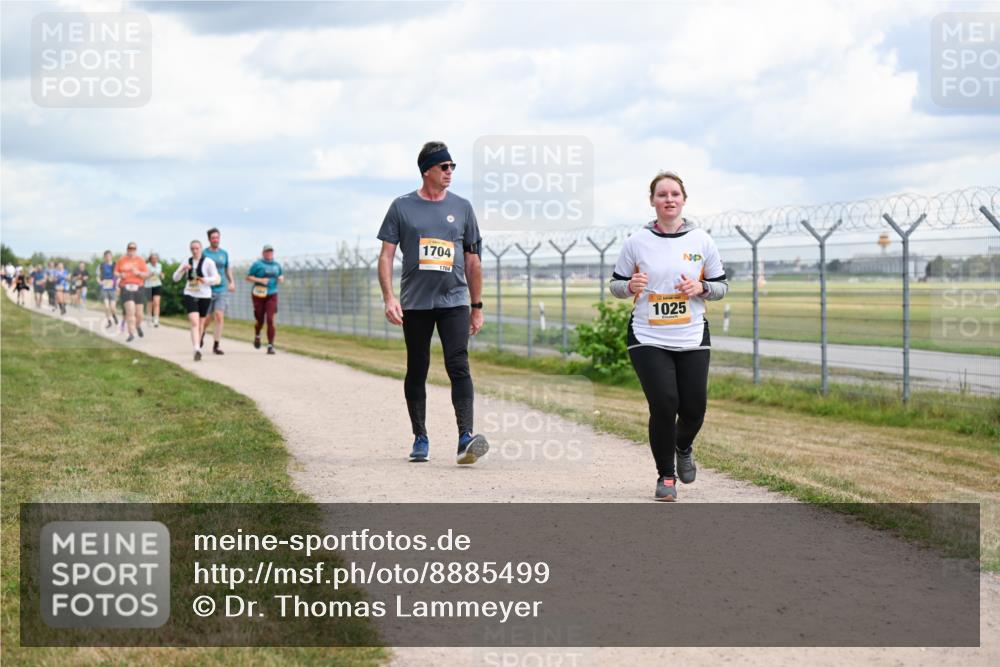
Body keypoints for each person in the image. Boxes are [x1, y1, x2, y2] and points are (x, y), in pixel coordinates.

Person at [609, 171, 728, 502]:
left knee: (694, 410)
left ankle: (683, 445)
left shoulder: (702, 241)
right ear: (652, 201)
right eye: (662, 195)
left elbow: (721, 287)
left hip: (691, 334)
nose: (669, 199)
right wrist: (629, 286)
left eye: (675, 194)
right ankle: (666, 477)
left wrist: (701, 287)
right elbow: (616, 285)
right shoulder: (636, 242)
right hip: (647, 334)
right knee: (664, 403)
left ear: (684, 200)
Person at [377, 140, 489, 465]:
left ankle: (466, 437)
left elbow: (473, 261)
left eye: (453, 167)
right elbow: (385, 256)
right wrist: (388, 298)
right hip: (416, 303)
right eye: (444, 167)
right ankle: (420, 437)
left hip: (454, 300)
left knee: (458, 364)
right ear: (428, 170)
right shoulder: (402, 207)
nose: (450, 172)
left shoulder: (463, 207)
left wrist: (477, 305)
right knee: (418, 366)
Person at [173, 239, 220, 361]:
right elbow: (175, 278)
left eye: (197, 248)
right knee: (194, 322)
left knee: (201, 323)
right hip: (190, 294)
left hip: (204, 295)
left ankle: (198, 345)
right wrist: (182, 269)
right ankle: (197, 349)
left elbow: (216, 278)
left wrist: (205, 280)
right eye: (192, 248)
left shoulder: (208, 262)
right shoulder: (186, 261)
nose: (194, 251)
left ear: (201, 249)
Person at [246, 244, 284, 355]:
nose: (269, 253)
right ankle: (257, 334)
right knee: (260, 319)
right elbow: (248, 277)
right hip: (259, 294)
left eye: (271, 251)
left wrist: (281, 278)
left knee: (270, 320)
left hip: (272, 294)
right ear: (263, 253)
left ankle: (270, 345)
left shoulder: (277, 265)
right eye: (267, 251)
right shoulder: (257, 264)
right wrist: (260, 280)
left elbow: (281, 275)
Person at [202, 227, 235, 355]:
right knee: (207, 318)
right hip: (207, 290)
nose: (215, 239)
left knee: (219, 317)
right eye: (213, 237)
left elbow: (227, 269)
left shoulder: (224, 253)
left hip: (221, 289)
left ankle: (216, 345)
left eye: (217, 237)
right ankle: (201, 333)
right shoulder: (204, 253)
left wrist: (231, 281)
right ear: (209, 239)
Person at [114, 242, 149, 342]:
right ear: (127, 249)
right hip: (126, 287)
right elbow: (115, 272)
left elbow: (146, 274)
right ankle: (131, 333)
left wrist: (139, 273)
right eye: (130, 248)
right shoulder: (121, 260)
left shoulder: (141, 260)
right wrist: (120, 275)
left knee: (140, 315)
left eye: (133, 248)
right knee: (130, 312)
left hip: (139, 288)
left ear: (136, 249)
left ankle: (137, 326)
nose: (131, 250)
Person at [98, 251, 118, 328]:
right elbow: (98, 276)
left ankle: (114, 315)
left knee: (112, 307)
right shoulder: (101, 266)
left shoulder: (115, 265)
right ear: (104, 257)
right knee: (106, 306)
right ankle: (109, 321)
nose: (107, 257)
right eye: (106, 256)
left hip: (113, 288)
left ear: (111, 256)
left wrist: (117, 286)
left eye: (109, 256)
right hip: (104, 287)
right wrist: (99, 281)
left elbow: (118, 276)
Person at [144, 252, 164, 327]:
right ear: (150, 259)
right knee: (150, 304)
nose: (154, 260)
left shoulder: (159, 265)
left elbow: (160, 274)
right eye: (153, 259)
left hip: (157, 285)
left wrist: (162, 275)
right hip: (148, 286)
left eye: (156, 259)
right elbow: (144, 277)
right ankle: (149, 318)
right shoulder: (146, 266)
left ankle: (156, 320)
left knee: (156, 302)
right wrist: (149, 274)